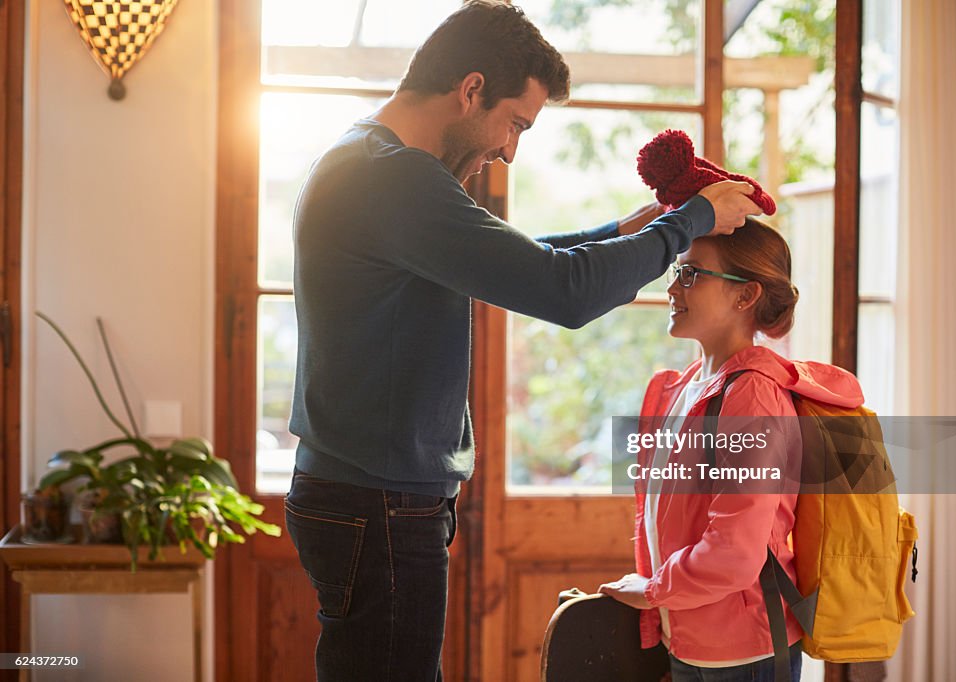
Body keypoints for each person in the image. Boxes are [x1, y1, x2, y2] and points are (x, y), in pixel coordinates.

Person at [285, 1, 760, 679]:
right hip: (380, 507)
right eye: (515, 123)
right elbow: (559, 289)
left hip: (368, 499)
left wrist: (622, 236)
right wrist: (691, 222)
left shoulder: (370, 162)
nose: (508, 148)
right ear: (470, 89)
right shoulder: (394, 177)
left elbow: (521, 260)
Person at [598, 219, 863, 681]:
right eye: (676, 272)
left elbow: (736, 552)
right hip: (689, 643)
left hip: (745, 655)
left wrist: (655, 590)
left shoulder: (752, 397)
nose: (674, 288)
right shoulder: (681, 388)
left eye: (692, 274)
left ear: (746, 296)